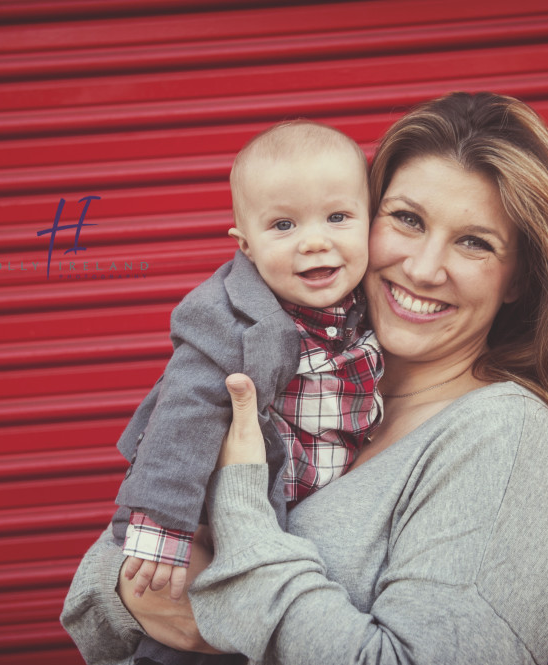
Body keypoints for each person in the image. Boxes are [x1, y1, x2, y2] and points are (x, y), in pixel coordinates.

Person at [62, 91, 548, 664]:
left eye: (474, 242)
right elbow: (98, 587)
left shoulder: (506, 441)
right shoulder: (301, 364)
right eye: (407, 219)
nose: (423, 269)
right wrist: (132, 594)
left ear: (518, 280)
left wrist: (237, 527)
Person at [107, 120, 383, 665]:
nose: (315, 240)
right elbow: (182, 417)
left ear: (370, 223)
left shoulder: (367, 305)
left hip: (311, 521)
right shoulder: (228, 319)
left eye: (338, 217)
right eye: (283, 224)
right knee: (188, 636)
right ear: (247, 246)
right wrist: (162, 524)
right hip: (232, 511)